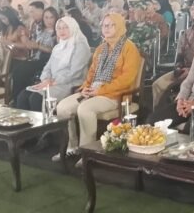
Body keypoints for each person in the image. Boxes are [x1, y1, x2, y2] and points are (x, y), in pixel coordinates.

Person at [54, 13, 141, 167]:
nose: (106, 28)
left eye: (111, 25)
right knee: (62, 107)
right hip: (93, 91)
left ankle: (87, 152)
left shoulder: (129, 48)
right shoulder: (101, 48)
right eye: (104, 25)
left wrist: (100, 90)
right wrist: (85, 88)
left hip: (115, 95)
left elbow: (126, 80)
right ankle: (72, 146)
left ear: (120, 26)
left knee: (85, 109)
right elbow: (92, 74)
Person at [16, 17, 91, 111]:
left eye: (65, 27)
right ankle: (25, 121)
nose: (61, 31)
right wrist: (45, 80)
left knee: (36, 98)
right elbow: (47, 67)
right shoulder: (58, 47)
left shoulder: (80, 46)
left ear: (73, 27)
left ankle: (45, 121)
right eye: (59, 28)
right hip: (52, 83)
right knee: (23, 96)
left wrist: (52, 82)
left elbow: (74, 73)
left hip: (69, 84)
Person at [151, 0, 194, 110]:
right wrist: (178, 68)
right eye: (193, 9)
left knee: (171, 89)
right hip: (182, 69)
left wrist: (190, 71)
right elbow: (179, 54)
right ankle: (158, 115)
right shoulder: (187, 32)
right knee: (157, 84)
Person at [9, 7, 58, 103]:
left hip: (47, 60)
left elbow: (55, 50)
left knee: (22, 70)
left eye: (51, 17)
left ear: (55, 18)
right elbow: (31, 44)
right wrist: (26, 39)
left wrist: (39, 46)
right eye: (46, 17)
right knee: (18, 69)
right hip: (35, 57)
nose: (49, 20)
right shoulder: (40, 30)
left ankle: (17, 99)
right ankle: (17, 98)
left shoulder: (58, 32)